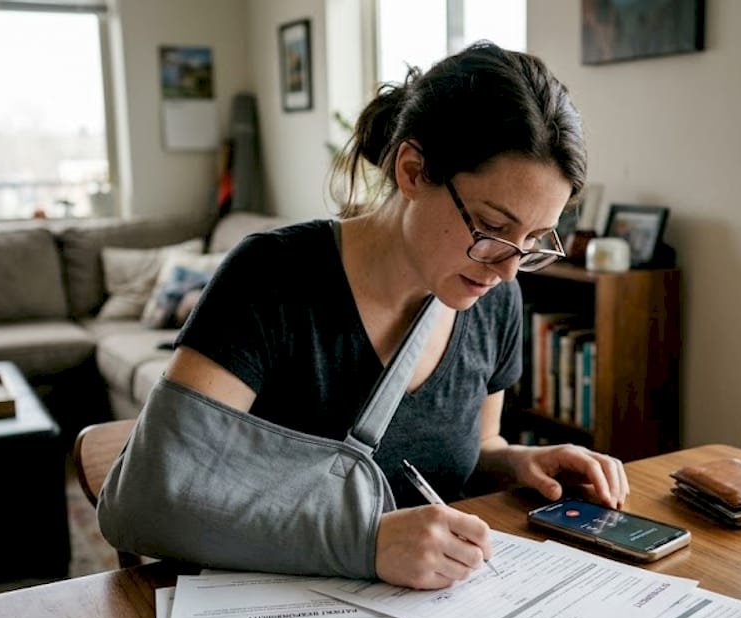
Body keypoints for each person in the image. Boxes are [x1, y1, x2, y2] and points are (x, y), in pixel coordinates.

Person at [98, 41, 628, 590]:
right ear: (413, 170)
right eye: (493, 229)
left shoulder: (493, 299)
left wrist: (516, 461)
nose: (510, 269)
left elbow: (472, 450)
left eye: (535, 240)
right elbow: (144, 503)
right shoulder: (271, 277)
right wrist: (364, 544)